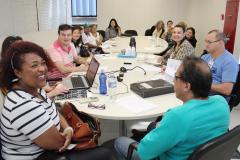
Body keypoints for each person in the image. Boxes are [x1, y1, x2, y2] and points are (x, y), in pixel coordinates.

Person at [114, 56, 230, 160]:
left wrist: (163, 127)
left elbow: (144, 152)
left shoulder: (177, 116)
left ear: (186, 86)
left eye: (176, 77)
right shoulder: (221, 102)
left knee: (120, 141)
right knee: (154, 127)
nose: (173, 81)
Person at [0, 36, 68, 98]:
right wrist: (53, 92)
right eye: (34, 65)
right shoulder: (9, 80)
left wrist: (51, 88)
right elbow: (30, 99)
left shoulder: (27, 80)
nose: (23, 50)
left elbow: (33, 89)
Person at [201, 29, 239, 98]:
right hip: (200, 93)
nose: (206, 45)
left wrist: (205, 84)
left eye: (209, 42)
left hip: (216, 99)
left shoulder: (230, 61)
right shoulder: (205, 57)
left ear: (220, 43)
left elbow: (227, 89)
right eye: (205, 41)